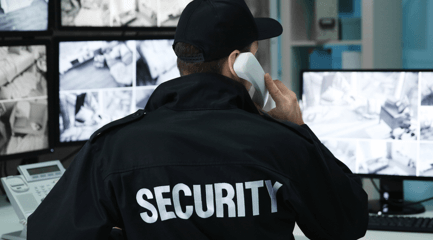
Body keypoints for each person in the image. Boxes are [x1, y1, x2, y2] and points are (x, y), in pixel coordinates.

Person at [27, 0, 368, 239]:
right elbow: (348, 224)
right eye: (255, 53)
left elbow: (47, 233)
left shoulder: (113, 148)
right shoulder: (280, 142)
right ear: (239, 62)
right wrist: (299, 129)